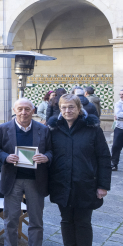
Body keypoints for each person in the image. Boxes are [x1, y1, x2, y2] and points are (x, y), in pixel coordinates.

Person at [48, 94, 111, 246]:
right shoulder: (54, 129)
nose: (67, 110)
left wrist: (103, 185)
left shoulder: (92, 129)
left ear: (78, 108)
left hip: (85, 184)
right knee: (66, 221)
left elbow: (103, 157)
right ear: (59, 109)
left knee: (83, 222)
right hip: (62, 183)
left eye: (71, 107)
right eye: (64, 107)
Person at [0, 98, 51, 246]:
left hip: (35, 180)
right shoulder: (3, 128)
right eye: (20, 109)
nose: (23, 112)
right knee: (10, 219)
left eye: (27, 109)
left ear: (33, 111)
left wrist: (46, 157)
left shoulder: (43, 129)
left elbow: (52, 151)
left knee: (36, 220)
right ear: (14, 110)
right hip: (12, 181)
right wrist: (6, 157)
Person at [113, 89, 123, 171]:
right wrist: (119, 116)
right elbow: (118, 114)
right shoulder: (118, 104)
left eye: (122, 94)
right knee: (116, 146)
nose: (121, 96)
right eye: (120, 94)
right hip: (119, 127)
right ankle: (114, 164)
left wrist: (120, 116)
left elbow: (120, 115)